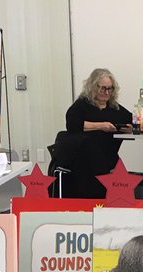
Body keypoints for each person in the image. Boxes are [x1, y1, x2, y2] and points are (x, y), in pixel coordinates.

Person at [58, 68, 133, 199]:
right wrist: (101, 125)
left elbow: (132, 121)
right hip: (82, 159)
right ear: (93, 87)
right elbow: (72, 124)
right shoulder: (82, 105)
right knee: (91, 147)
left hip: (107, 158)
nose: (107, 92)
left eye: (110, 89)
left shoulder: (114, 107)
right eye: (103, 88)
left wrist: (129, 128)